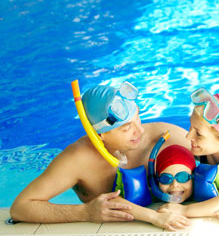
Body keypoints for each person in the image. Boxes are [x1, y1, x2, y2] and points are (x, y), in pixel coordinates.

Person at [10, 81, 191, 223]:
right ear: (99, 134)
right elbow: (20, 208)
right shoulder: (77, 159)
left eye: (138, 119)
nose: (140, 131)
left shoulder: (164, 136)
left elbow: (217, 147)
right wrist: (85, 213)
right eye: (126, 128)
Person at [109, 144, 219, 230]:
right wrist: (154, 217)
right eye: (166, 179)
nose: (175, 185)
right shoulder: (155, 193)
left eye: (182, 177)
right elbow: (114, 202)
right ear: (157, 181)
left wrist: (184, 210)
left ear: (194, 176)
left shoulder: (202, 188)